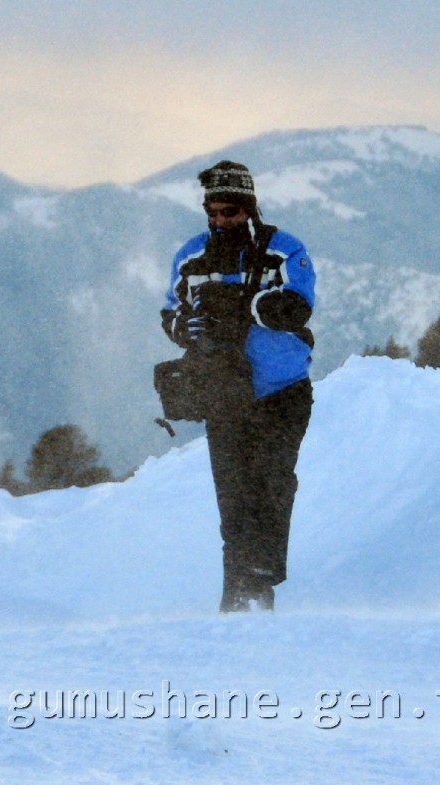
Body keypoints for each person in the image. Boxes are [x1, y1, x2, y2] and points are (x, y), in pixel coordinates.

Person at [160, 160, 315, 612]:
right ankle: (237, 594)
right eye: (213, 211)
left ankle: (263, 583)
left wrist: (242, 306)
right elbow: (171, 313)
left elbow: (298, 308)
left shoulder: (284, 250)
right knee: (233, 494)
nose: (219, 220)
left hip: (281, 391)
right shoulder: (190, 256)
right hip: (222, 389)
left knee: (271, 483)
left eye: (229, 211)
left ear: (249, 208)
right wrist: (186, 327)